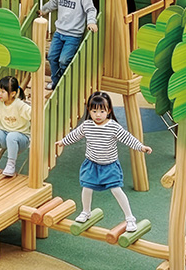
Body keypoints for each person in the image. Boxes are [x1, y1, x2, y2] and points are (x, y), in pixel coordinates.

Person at [57, 91, 152, 232]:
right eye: (94, 111)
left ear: (109, 111)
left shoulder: (113, 127)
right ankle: (86, 211)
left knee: (116, 190)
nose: (98, 115)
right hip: (91, 165)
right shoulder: (87, 125)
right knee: (86, 187)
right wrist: (63, 141)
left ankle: (130, 218)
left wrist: (141, 147)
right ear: (89, 110)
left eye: (102, 111)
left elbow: (128, 138)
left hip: (110, 166)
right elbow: (75, 135)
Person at [39, 0, 98, 90]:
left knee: (64, 60)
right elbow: (54, 3)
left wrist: (91, 22)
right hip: (59, 33)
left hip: (73, 35)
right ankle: (56, 82)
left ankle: (65, 82)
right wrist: (43, 10)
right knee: (52, 57)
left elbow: (91, 9)